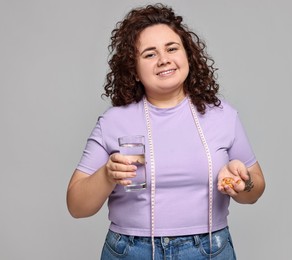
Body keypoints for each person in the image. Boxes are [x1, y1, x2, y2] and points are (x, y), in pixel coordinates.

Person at [66, 3, 266, 260]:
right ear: (134, 70)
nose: (164, 59)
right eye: (149, 54)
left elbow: (255, 192)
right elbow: (76, 207)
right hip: (131, 252)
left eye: (172, 48)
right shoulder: (113, 122)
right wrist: (107, 174)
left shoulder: (222, 115)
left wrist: (243, 182)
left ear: (188, 56)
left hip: (209, 250)